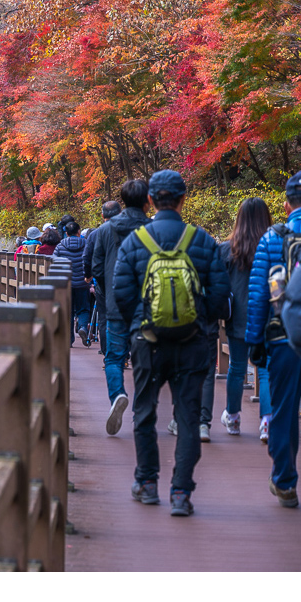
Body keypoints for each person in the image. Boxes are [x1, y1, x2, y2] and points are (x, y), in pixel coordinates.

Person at [112, 169, 229, 516]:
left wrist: (142, 321)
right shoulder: (203, 241)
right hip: (193, 342)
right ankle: (181, 493)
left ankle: (147, 483)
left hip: (148, 343)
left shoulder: (136, 241)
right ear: (182, 199)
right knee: (189, 417)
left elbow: (122, 293)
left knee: (145, 411)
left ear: (150, 200)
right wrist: (198, 319)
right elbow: (221, 295)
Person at [246, 171, 301, 508]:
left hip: (284, 337)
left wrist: (255, 338)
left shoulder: (272, 238)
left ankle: (285, 481)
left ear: (286, 204)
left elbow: (258, 294)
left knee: (284, 410)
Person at [92, 183, 150, 435]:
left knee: (114, 357)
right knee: (145, 358)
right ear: (147, 200)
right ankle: (141, 410)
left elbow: (96, 267)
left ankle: (117, 395)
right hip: (146, 304)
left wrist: (107, 295)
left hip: (115, 303)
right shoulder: (153, 229)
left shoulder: (105, 230)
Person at [215, 197, 273, 441]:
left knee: (237, 369)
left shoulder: (227, 249)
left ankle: (234, 417)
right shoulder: (274, 246)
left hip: (237, 317)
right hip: (268, 316)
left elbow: (220, 286)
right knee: (266, 370)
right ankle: (267, 422)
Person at [83, 201, 121, 356]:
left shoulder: (96, 233)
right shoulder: (130, 229)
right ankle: (124, 354)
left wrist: (90, 276)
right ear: (120, 213)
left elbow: (88, 257)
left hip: (104, 280)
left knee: (105, 317)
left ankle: (108, 353)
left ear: (103, 215)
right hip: (126, 279)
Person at [54, 221, 92, 346]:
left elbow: (53, 262)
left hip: (66, 283)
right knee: (83, 309)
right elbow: (90, 260)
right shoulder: (86, 244)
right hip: (83, 282)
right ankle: (82, 327)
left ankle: (69, 340)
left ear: (66, 233)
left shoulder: (60, 246)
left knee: (67, 310)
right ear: (79, 232)